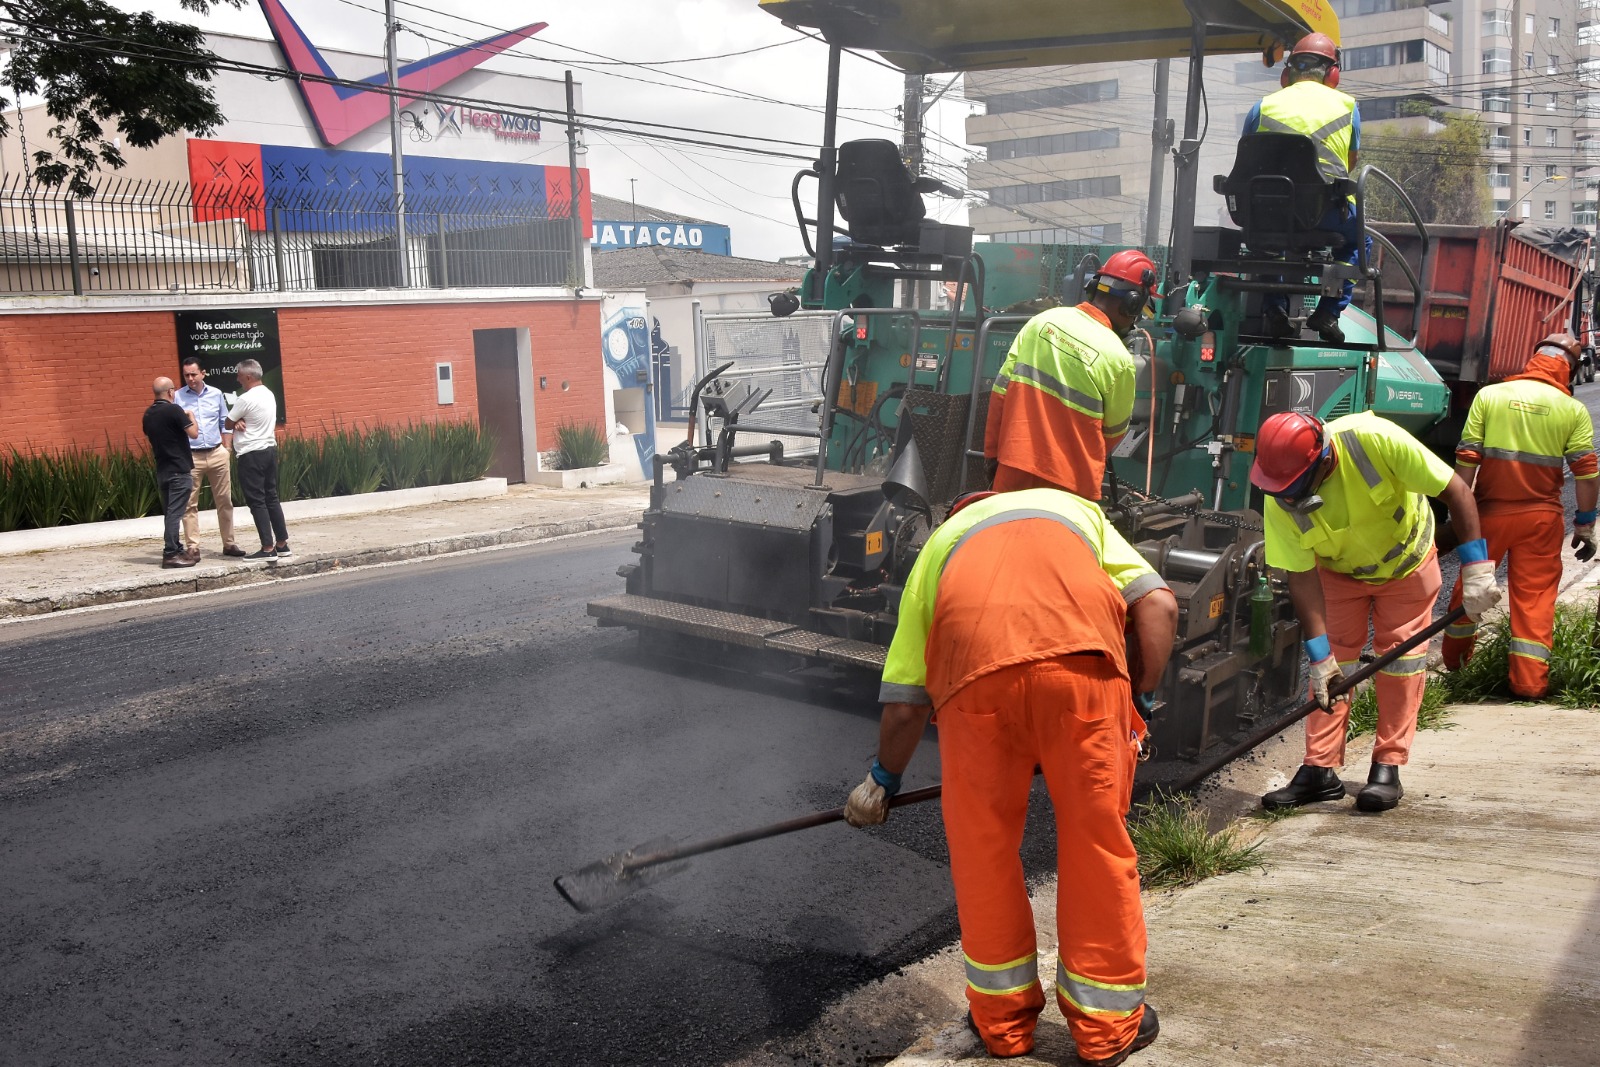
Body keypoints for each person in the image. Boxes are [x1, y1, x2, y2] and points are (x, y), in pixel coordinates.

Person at [843, 488, 1178, 1066]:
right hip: (1085, 677)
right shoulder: (1077, 514)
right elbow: (1160, 607)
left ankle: (1002, 1025)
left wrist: (881, 781)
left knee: (983, 851)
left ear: (960, 514)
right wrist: (1139, 702)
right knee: (1095, 842)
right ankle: (1107, 1027)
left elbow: (905, 703)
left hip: (976, 691)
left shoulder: (940, 549)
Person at [1251, 410, 1501, 813]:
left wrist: (1476, 569)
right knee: (1334, 665)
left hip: (1407, 565)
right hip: (1337, 573)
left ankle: (1387, 766)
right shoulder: (1280, 491)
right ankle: (1319, 769)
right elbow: (1300, 576)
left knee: (1400, 661)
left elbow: (1457, 491)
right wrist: (1319, 657)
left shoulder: (1375, 440)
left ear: (1323, 459)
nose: (1288, 497)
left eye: (1296, 487)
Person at [1444, 333, 1598, 697]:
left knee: (1470, 590)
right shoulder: (1571, 409)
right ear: (1570, 368)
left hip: (1486, 516)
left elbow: (1465, 464)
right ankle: (1529, 684)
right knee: (1535, 599)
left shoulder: (1489, 396)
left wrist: (1458, 519)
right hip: (1541, 521)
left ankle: (1456, 669)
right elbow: (1588, 474)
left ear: (1533, 359)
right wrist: (1585, 524)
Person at [983, 249, 1159, 500]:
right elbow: (1113, 435)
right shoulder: (1119, 360)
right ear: (1132, 304)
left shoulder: (1041, 322)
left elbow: (1000, 395)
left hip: (1014, 467)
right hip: (1071, 487)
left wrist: (992, 456)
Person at [1243, 33, 1364, 344]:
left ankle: (1274, 310)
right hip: (1324, 212)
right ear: (1332, 74)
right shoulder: (1347, 106)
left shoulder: (1263, 105)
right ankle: (1328, 312)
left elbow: (1246, 158)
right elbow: (1348, 163)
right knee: (1358, 241)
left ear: (1287, 73)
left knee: (1269, 246)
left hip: (1268, 212)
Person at [175, 358, 245, 559]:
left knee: (224, 500)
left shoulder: (215, 394)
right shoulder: (178, 397)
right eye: (186, 375)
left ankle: (229, 543)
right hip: (191, 457)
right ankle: (193, 547)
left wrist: (227, 448)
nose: (190, 379)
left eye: (193, 374)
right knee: (189, 504)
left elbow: (225, 421)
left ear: (203, 373)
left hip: (217, 453)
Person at [225, 359, 291, 561]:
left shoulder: (245, 399)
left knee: (257, 501)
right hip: (269, 449)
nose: (237, 378)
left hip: (251, 453)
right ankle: (282, 543)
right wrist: (240, 420)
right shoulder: (269, 394)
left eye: (238, 375)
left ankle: (267, 547)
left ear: (247, 376)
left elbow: (228, 422)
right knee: (271, 497)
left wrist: (236, 420)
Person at [141, 376, 199, 569]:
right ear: (171, 392)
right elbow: (194, 434)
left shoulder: (148, 414)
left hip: (162, 470)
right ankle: (170, 553)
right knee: (175, 514)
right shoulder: (174, 410)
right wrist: (191, 417)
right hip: (179, 470)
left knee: (169, 513)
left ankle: (177, 547)